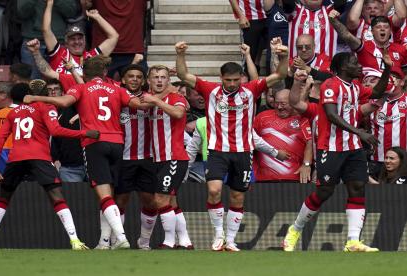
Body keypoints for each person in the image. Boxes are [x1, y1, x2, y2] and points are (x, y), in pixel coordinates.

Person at [23, 55, 149, 249]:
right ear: (105, 72)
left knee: (104, 195)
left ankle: (121, 237)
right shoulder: (117, 88)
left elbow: (64, 102)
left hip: (94, 143)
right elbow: (138, 105)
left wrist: (36, 97)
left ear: (85, 73)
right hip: (117, 144)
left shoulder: (80, 87)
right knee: (109, 195)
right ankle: (104, 242)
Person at [176, 37, 288, 251]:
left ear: (241, 79)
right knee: (215, 190)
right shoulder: (210, 90)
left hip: (243, 152)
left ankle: (231, 240)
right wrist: (180, 54)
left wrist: (283, 57)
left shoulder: (251, 90)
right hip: (217, 151)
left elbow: (281, 75)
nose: (233, 84)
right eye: (228, 80)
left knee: (237, 196)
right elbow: (182, 75)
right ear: (221, 79)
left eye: (236, 80)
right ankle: (218, 235)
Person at [282, 52, 392, 252]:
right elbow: (332, 115)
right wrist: (359, 131)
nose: (358, 65)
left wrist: (387, 69)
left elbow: (376, 92)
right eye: (353, 62)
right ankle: (295, 228)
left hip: (353, 147)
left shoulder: (355, 87)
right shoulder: (330, 85)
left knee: (358, 187)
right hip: (331, 148)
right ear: (342, 67)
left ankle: (353, 241)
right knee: (324, 191)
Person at [0, 83, 100, 250]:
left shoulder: (13, 113)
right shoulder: (46, 107)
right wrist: (85, 133)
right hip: (39, 157)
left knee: (3, 198)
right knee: (57, 197)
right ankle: (75, 241)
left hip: (16, 159)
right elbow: (56, 131)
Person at [97, 64, 157, 250]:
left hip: (147, 157)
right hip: (122, 158)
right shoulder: (115, 96)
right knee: (119, 200)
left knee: (150, 201)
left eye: (139, 77)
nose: (134, 79)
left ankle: (144, 242)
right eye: (130, 76)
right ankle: (113, 240)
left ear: (144, 80)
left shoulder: (151, 98)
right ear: (123, 80)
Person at [139, 65, 193, 249]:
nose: (160, 80)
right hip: (158, 158)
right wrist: (154, 99)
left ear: (168, 80)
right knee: (171, 201)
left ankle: (168, 242)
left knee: (160, 200)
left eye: (163, 77)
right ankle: (185, 241)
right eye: (155, 77)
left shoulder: (176, 98)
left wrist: (156, 100)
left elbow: (178, 113)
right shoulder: (147, 99)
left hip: (174, 157)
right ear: (149, 80)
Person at [43, 0, 119, 75]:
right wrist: (50, 4)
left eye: (80, 38)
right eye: (72, 39)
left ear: (85, 40)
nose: (77, 42)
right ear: (66, 42)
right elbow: (46, 30)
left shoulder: (93, 57)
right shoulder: (59, 54)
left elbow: (114, 36)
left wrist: (98, 17)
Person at [253, 89, 313, 183]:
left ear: (293, 103)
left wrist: (306, 164)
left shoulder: (302, 119)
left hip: (294, 178)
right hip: (264, 178)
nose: (280, 107)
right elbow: (249, 139)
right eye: (277, 103)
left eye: (284, 104)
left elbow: (309, 143)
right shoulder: (261, 117)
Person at [329, 12, 407, 77]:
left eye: (386, 27)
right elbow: (346, 35)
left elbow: (405, 72)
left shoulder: (401, 49)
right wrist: (333, 20)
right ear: (372, 31)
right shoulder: (363, 46)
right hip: (371, 91)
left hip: (395, 91)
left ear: (390, 31)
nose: (382, 29)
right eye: (378, 27)